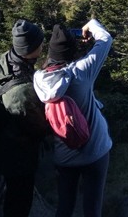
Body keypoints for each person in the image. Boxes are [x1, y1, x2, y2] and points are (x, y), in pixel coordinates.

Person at [33, 19, 113, 217]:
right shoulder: (81, 71)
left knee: (65, 206)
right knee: (92, 209)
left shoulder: (39, 79)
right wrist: (91, 25)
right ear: (71, 52)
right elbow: (105, 39)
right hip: (95, 150)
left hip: (65, 156)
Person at [0, 18, 50, 217]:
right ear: (30, 49)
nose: (43, 46)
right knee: (19, 201)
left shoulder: (4, 60)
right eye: (40, 44)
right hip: (17, 156)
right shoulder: (21, 93)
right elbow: (40, 128)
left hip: (3, 140)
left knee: (13, 194)